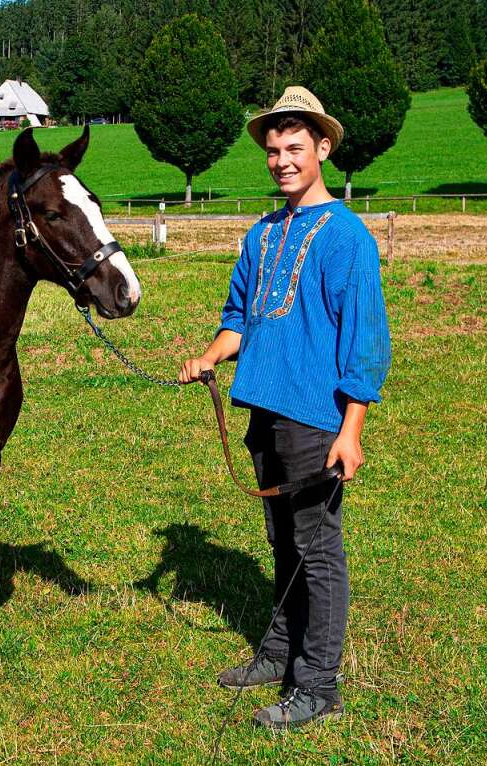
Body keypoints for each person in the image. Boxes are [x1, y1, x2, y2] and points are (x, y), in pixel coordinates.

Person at [178, 86, 391, 729]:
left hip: (314, 418)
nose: (282, 160)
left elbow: (366, 342)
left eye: (295, 147)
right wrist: (211, 356)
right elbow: (239, 318)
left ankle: (317, 683)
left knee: (317, 547)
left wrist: (350, 431)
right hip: (263, 410)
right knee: (281, 540)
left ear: (323, 148)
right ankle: (277, 652)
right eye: (273, 149)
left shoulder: (347, 238)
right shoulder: (262, 232)